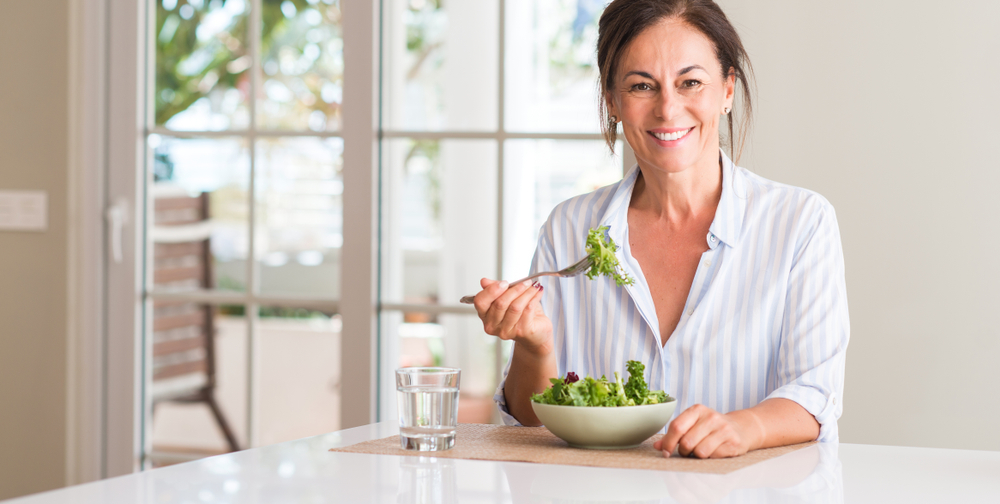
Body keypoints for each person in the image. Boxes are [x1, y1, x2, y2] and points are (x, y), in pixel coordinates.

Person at [472, 0, 849, 459]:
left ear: (727, 90)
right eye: (641, 86)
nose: (668, 109)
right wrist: (534, 347)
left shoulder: (800, 222)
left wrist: (743, 427)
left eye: (691, 82)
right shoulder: (569, 227)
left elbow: (814, 394)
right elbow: (530, 424)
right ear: (612, 100)